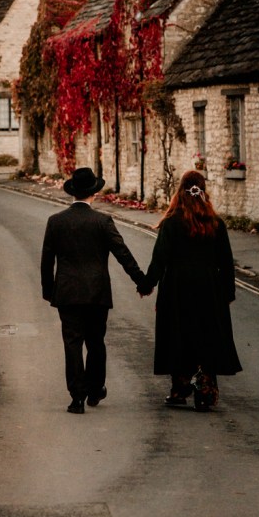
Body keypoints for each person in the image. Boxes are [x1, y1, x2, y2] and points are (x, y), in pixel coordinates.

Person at [41, 166, 146, 414]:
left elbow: (47, 261)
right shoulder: (102, 221)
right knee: (96, 342)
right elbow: (123, 254)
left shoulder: (56, 222)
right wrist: (141, 281)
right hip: (97, 293)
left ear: (73, 193)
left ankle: (77, 397)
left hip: (67, 293)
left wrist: (49, 290)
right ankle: (95, 389)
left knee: (72, 343)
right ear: (94, 194)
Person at [138, 170, 241, 411]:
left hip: (177, 287)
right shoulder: (216, 223)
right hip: (209, 287)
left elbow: (159, 260)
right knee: (206, 334)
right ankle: (205, 388)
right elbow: (226, 263)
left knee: (179, 333)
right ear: (203, 191)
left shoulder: (172, 223)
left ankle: (180, 388)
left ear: (180, 192)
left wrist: (147, 285)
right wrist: (227, 294)